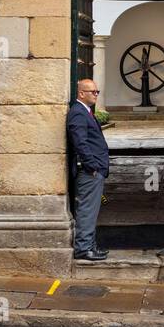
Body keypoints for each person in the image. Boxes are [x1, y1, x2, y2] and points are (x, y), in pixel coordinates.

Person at [67, 78, 110, 262]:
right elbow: (80, 143)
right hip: (90, 171)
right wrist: (92, 166)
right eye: (92, 91)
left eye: (97, 91)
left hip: (95, 169)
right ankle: (83, 248)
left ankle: (90, 245)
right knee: (86, 209)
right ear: (81, 93)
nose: (96, 94)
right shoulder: (78, 113)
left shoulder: (85, 112)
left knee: (91, 210)